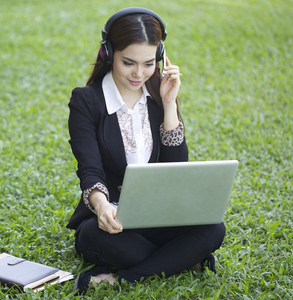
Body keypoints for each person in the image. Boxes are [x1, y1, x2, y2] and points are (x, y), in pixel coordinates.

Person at [67, 7, 226, 294]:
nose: (139, 73)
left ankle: (121, 278)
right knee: (92, 236)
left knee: (214, 229)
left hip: (158, 215)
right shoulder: (86, 101)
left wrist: (168, 105)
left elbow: (176, 169)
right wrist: (102, 207)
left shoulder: (159, 94)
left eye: (149, 63)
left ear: (161, 59)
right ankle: (181, 258)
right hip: (112, 221)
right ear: (108, 53)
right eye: (128, 62)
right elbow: (89, 168)